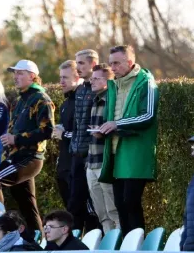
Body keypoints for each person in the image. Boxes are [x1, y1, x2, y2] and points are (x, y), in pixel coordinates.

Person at [0, 60, 54, 234]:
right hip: (17, 156)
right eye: (14, 73)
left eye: (20, 73)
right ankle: (38, 244)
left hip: (30, 157)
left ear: (32, 76)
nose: (15, 77)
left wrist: (16, 138)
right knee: (27, 206)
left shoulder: (41, 99)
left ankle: (0, 230)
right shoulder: (19, 100)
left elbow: (48, 130)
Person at [98, 45, 159, 234]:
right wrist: (103, 129)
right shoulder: (115, 84)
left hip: (135, 152)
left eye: (116, 63)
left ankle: (138, 252)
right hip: (116, 151)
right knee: (120, 205)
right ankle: (126, 251)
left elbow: (148, 115)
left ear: (130, 62)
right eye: (111, 64)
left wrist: (117, 124)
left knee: (131, 202)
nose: (113, 68)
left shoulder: (146, 82)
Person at [68, 49, 100, 233]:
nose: (77, 67)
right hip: (76, 154)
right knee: (74, 203)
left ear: (93, 65)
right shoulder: (80, 90)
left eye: (81, 63)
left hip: (92, 155)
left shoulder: (102, 89)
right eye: (76, 63)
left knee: (92, 205)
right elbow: (77, 124)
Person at [87, 64, 120, 234]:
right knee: (101, 213)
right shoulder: (94, 100)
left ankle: (122, 249)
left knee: (114, 210)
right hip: (91, 163)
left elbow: (119, 129)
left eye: (96, 78)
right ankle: (109, 251)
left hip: (105, 162)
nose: (91, 81)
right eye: (91, 78)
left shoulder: (113, 101)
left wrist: (103, 133)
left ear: (108, 81)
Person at [53, 60, 79, 208]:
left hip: (75, 166)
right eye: (60, 77)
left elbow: (82, 134)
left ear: (77, 78)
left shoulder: (80, 101)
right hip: (63, 165)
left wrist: (63, 134)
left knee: (82, 212)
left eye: (65, 78)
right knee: (69, 210)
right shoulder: (65, 103)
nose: (61, 81)